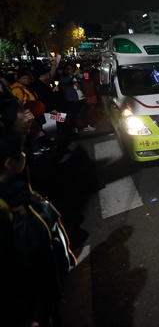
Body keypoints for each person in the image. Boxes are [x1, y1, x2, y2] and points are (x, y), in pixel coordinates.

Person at [0, 125, 67, 327]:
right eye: (22, 152)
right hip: (31, 297)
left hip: (44, 285)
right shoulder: (6, 208)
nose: (25, 154)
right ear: (9, 163)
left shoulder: (16, 191)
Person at [59, 63, 96, 135]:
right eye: (70, 69)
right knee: (74, 114)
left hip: (81, 97)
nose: (72, 70)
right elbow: (67, 81)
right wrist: (74, 74)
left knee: (84, 112)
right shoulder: (63, 77)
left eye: (72, 69)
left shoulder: (75, 77)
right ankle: (74, 128)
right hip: (72, 99)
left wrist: (79, 85)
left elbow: (81, 84)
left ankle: (86, 125)